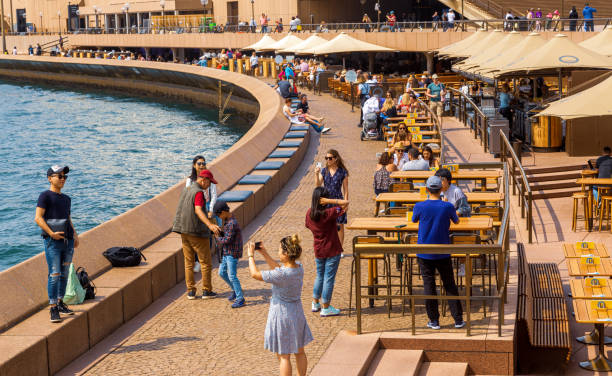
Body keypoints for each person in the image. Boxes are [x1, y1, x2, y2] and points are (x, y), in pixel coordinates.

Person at [247, 236, 313, 376]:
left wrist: (250, 255)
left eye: (279, 250)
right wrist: (264, 253)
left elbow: (254, 274)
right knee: (300, 352)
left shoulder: (281, 275)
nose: (277, 252)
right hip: (297, 312)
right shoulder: (298, 268)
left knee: (284, 356)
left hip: (282, 315)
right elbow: (279, 269)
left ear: (286, 254)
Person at [411, 176, 464, 330]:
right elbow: (457, 221)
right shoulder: (447, 206)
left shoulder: (419, 206)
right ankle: (458, 319)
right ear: (441, 189)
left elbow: (414, 220)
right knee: (449, 285)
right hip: (443, 251)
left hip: (424, 251)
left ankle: (434, 320)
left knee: (429, 286)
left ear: (427, 189)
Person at [35, 165, 80, 323]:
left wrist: (75, 234)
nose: (62, 179)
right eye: (59, 176)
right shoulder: (45, 196)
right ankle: (53, 307)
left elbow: (68, 218)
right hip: (52, 241)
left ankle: (61, 303)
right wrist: (51, 233)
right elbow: (38, 218)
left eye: (64, 177)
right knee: (54, 274)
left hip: (67, 240)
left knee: (65, 272)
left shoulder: (66, 198)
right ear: (49, 178)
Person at [172, 169, 221, 300]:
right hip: (196, 232)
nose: (209, 186)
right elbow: (198, 210)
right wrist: (210, 225)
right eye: (209, 183)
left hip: (183, 231)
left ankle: (191, 292)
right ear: (203, 180)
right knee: (205, 262)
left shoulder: (186, 189)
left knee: (188, 263)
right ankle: (206, 291)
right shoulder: (198, 192)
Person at [305, 187, 349, 316]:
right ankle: (326, 307)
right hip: (332, 248)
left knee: (320, 276)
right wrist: (330, 200)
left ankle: (315, 302)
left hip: (318, 249)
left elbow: (308, 225)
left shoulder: (309, 213)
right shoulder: (329, 213)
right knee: (329, 279)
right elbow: (346, 203)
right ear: (323, 200)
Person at [213, 201, 245, 308]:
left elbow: (227, 240)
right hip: (227, 252)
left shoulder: (232, 223)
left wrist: (217, 236)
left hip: (232, 253)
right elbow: (227, 236)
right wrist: (221, 232)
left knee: (232, 276)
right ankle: (235, 290)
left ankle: (240, 298)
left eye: (218, 215)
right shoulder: (227, 220)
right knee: (221, 272)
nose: (219, 217)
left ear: (223, 212)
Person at [315, 149, 349, 247]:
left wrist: (345, 203)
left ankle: (340, 247)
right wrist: (316, 174)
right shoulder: (324, 171)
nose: (328, 160)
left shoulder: (343, 172)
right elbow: (318, 185)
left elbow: (346, 189)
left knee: (339, 224)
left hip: (338, 201)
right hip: (326, 202)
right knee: (326, 225)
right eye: (326, 158)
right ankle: (329, 246)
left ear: (335, 158)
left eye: (330, 158)